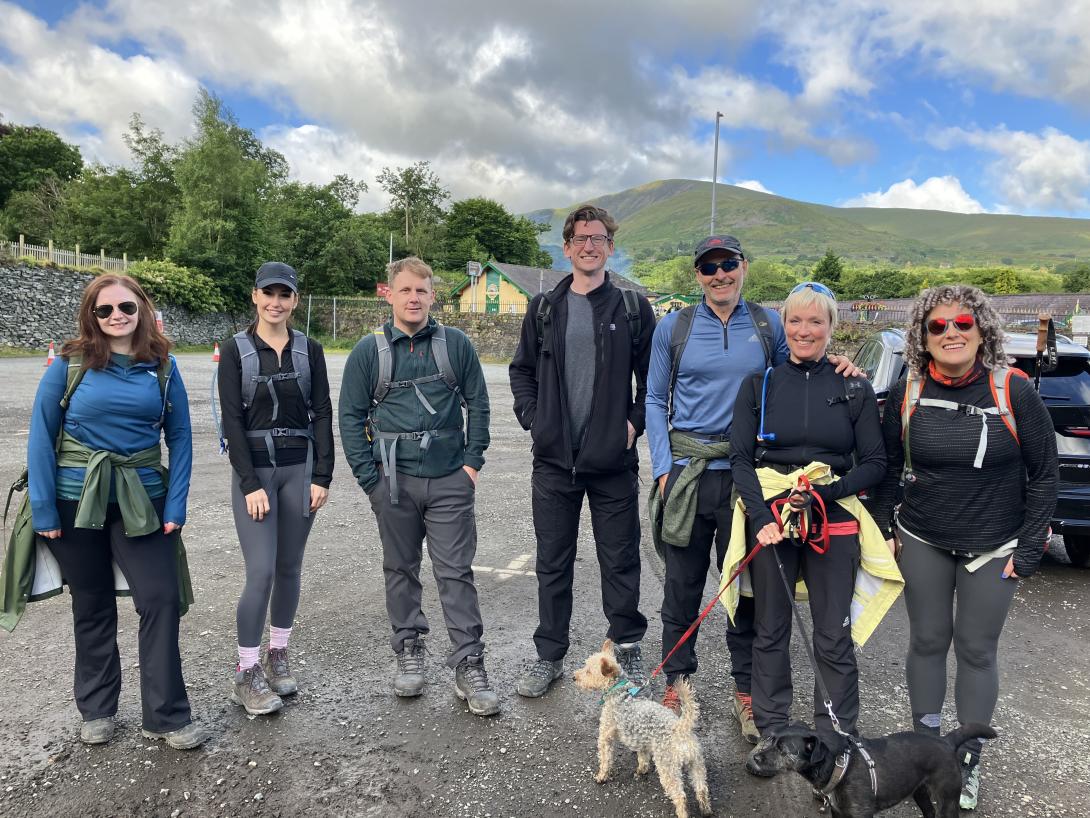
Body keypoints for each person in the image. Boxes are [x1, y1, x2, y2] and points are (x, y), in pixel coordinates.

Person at [868, 285, 1057, 810]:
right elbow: (886, 468)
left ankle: (966, 760)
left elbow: (1044, 473)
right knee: (927, 642)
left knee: (976, 649)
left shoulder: (1012, 389)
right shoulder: (908, 392)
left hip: (995, 543)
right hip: (923, 535)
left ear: (982, 331)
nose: (951, 332)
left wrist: (1030, 546)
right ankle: (926, 753)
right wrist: (884, 526)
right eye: (937, 325)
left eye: (963, 324)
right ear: (923, 337)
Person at [25, 275, 206, 749]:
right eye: (104, 310)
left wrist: (177, 502)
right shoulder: (68, 364)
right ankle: (98, 708)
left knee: (161, 598)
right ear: (92, 316)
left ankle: (165, 715)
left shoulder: (162, 366)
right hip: (72, 502)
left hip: (143, 500)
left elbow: (182, 436)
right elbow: (42, 436)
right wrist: (44, 509)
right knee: (92, 604)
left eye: (125, 306)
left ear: (141, 308)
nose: (116, 316)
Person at [728, 281, 894, 776]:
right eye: (795, 321)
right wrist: (761, 519)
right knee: (771, 628)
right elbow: (740, 459)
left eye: (815, 321)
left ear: (830, 328)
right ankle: (773, 730)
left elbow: (876, 462)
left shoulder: (853, 387)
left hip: (832, 514)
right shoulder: (758, 386)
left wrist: (822, 495)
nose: (805, 331)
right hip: (773, 519)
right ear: (784, 326)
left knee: (831, 634)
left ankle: (836, 739)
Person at [339, 257, 498, 717]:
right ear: (387, 294)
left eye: (421, 291)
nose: (413, 298)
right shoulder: (368, 353)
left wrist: (471, 465)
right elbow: (349, 417)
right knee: (400, 568)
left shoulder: (456, 345)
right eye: (404, 290)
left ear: (433, 295)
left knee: (455, 572)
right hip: (392, 483)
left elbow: (478, 404)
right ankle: (408, 649)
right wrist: (370, 479)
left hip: (450, 479)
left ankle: (468, 662)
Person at [509, 203, 655, 698]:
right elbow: (521, 370)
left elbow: (652, 382)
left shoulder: (633, 309)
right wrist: (536, 420)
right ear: (567, 247)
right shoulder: (544, 307)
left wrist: (634, 425)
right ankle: (549, 654)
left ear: (610, 247)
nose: (589, 246)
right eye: (580, 238)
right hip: (554, 463)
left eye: (598, 238)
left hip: (613, 462)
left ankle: (628, 648)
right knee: (552, 561)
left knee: (620, 560)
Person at [645, 234, 785, 737]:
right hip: (687, 474)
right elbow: (655, 400)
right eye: (709, 268)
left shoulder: (769, 325)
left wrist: (843, 366)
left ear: (744, 266)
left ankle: (745, 691)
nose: (720, 274)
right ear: (697, 275)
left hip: (747, 478)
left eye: (728, 264)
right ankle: (677, 685)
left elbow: (796, 383)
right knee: (681, 587)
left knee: (742, 589)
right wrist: (663, 468)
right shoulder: (674, 328)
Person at [216, 262, 334, 715]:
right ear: (255, 296)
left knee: (289, 567)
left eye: (285, 295)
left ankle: (278, 653)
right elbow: (232, 420)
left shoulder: (311, 350)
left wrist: (322, 475)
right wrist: (249, 483)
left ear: (295, 301)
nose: (276, 302)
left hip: (299, 469)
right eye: (269, 293)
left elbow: (321, 412)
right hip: (257, 474)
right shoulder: (236, 351)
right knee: (261, 571)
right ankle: (246, 672)